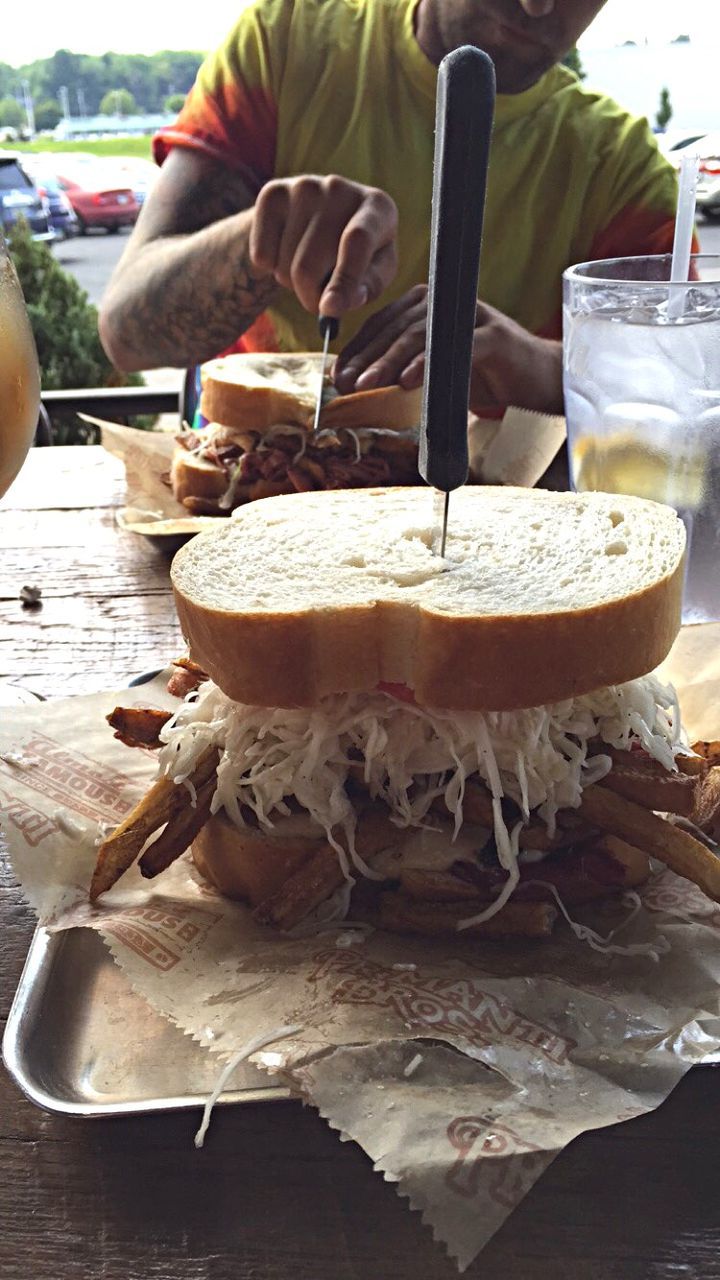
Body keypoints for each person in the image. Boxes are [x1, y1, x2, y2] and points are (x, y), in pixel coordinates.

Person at [99, 0, 682, 417]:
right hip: (249, 500)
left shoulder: (622, 167)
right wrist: (257, 241)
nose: (536, 5)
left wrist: (535, 367)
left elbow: (680, 394)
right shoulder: (285, 41)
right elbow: (127, 334)